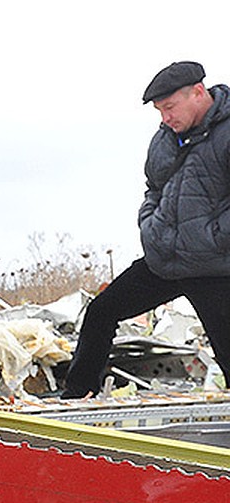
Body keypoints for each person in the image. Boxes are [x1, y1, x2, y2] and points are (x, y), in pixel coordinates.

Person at [62, 60, 230, 398]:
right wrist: (149, 224)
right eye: (160, 111)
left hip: (215, 267)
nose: (165, 117)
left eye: (170, 107)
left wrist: (214, 237)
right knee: (100, 313)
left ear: (198, 92)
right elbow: (153, 188)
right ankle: (76, 398)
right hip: (163, 261)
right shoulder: (165, 138)